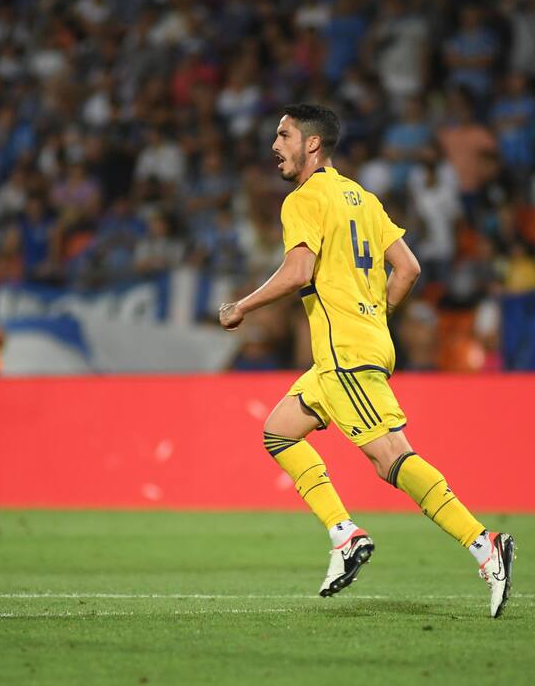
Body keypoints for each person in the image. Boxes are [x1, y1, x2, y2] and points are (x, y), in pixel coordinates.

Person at [219, 104, 514, 618]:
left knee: (392, 459)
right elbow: (408, 267)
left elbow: (297, 270)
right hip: (362, 344)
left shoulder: (304, 199)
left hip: (345, 354)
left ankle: (484, 544)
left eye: (284, 135)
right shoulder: (361, 196)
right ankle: (344, 534)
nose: (274, 145)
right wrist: (377, 314)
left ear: (312, 144)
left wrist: (242, 306)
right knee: (279, 431)